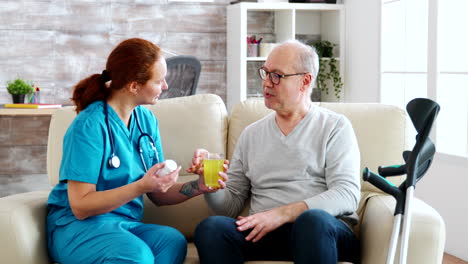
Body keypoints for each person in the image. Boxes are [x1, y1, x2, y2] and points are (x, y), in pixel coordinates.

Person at [46, 38, 227, 264]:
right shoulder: (89, 126)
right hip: (78, 227)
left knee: (171, 241)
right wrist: (141, 186)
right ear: (134, 86)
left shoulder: (145, 120)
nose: (166, 87)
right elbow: (81, 206)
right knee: (136, 256)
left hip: (123, 224)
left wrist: (199, 186)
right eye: (159, 81)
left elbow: (159, 194)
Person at [193, 40, 361, 264]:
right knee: (211, 228)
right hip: (265, 234)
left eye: (277, 76)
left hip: (323, 232)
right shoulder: (251, 134)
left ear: (305, 81)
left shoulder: (335, 127)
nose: (266, 83)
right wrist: (211, 186)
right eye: (265, 73)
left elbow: (347, 194)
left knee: (312, 221)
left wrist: (281, 214)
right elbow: (230, 206)